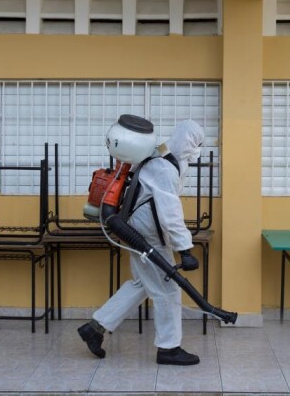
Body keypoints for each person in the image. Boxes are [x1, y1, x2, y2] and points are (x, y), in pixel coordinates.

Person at [78, 119, 204, 366]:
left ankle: (95, 327)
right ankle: (169, 348)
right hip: (149, 237)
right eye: (196, 144)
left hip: (136, 229)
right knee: (167, 290)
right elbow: (170, 213)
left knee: (142, 284)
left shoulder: (156, 157)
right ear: (190, 143)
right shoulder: (165, 168)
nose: (196, 151)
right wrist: (185, 249)